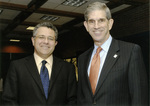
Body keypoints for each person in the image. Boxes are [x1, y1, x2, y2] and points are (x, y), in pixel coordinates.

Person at [77, 1, 148, 106]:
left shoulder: (131, 51)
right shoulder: (82, 58)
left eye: (101, 20)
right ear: (86, 25)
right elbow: (81, 98)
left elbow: (139, 98)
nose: (96, 26)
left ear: (110, 23)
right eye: (92, 21)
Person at [2, 22, 77, 105]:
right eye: (41, 37)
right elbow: (9, 100)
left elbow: (72, 100)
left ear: (55, 43)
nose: (46, 42)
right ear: (33, 40)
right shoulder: (17, 67)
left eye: (50, 38)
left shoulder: (67, 68)